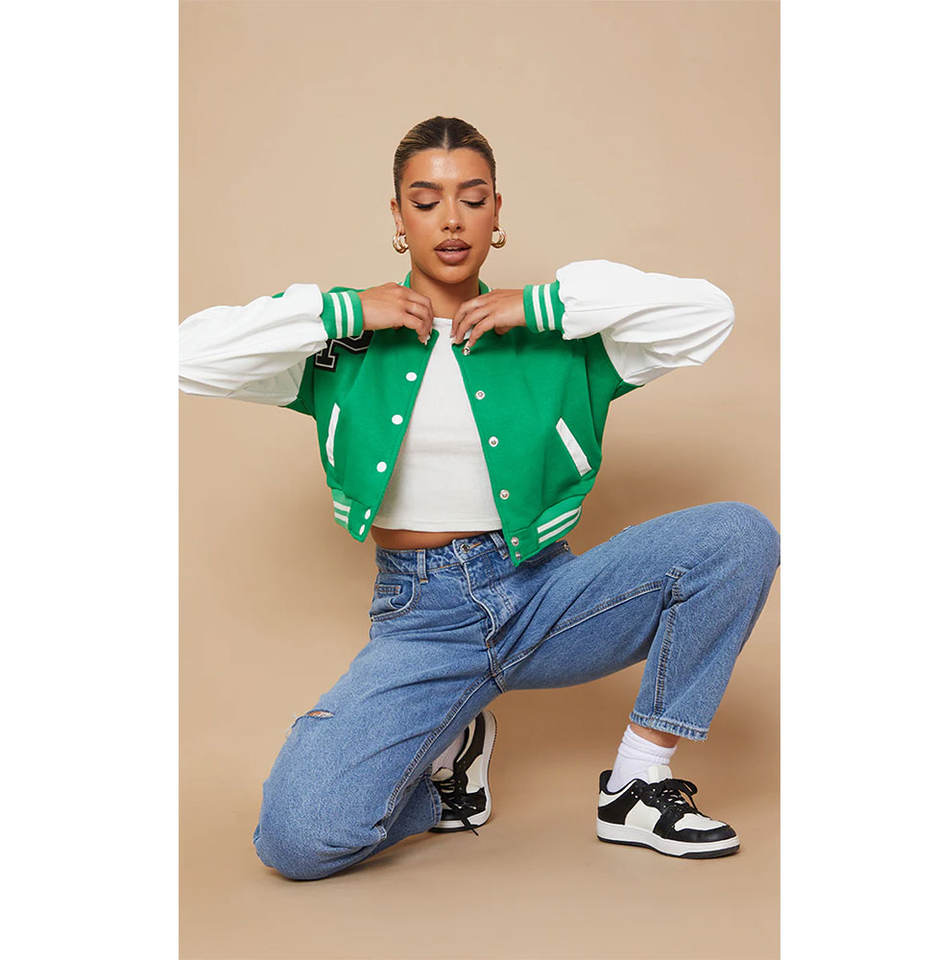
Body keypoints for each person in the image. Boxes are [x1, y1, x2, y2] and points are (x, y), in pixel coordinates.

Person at [179, 115, 780, 880]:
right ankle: (452, 760)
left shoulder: (559, 334)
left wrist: (546, 306)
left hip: (546, 597)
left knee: (738, 536)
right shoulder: (342, 345)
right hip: (422, 622)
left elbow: (710, 315)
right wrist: (341, 310)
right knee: (298, 837)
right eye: (426, 201)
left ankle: (637, 782)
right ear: (397, 217)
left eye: (472, 198)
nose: (451, 220)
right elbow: (184, 356)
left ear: (497, 211)